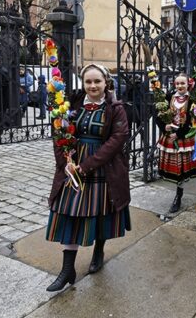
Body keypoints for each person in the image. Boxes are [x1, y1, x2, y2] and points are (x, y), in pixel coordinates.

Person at [45, 63, 131, 292]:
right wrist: (64, 164)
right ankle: (67, 269)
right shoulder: (71, 104)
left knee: (100, 212)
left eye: (97, 81)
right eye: (88, 82)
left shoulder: (115, 107)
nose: (92, 86)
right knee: (70, 213)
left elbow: (117, 139)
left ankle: (99, 250)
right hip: (73, 166)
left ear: (106, 83)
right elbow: (59, 132)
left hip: (103, 167)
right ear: (83, 83)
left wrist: (87, 166)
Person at [156, 73, 196, 213]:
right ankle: (178, 194)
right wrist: (164, 127)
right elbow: (159, 114)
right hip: (169, 137)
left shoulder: (192, 100)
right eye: (177, 83)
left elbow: (194, 122)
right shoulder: (168, 97)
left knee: (181, 169)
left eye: (182, 83)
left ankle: (179, 195)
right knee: (175, 170)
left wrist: (179, 134)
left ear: (188, 84)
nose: (180, 86)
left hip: (183, 138)